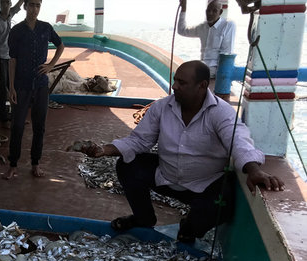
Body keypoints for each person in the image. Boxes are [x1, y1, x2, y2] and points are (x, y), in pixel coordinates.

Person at [88, 61, 284, 243]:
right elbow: (139, 140)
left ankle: (190, 228)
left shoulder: (221, 112)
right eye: (175, 81)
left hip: (203, 184)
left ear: (202, 85)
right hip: (166, 176)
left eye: (182, 83)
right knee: (127, 164)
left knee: (223, 200)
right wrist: (103, 150)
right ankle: (143, 219)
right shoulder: (161, 107)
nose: (174, 87)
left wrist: (254, 170)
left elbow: (238, 141)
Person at [3, 0, 64, 180]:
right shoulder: (16, 31)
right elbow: (12, 61)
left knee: (40, 126)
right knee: (17, 126)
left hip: (40, 85)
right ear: (25, 7)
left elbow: (60, 45)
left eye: (38, 5)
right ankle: (13, 164)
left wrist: (51, 65)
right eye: (31, 5)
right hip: (21, 85)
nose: (34, 9)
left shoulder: (46, 28)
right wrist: (11, 87)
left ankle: (35, 163)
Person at [177, 0, 235, 79]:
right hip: (203, 68)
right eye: (208, 10)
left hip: (216, 72)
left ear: (220, 12)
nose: (210, 13)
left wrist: (220, 78)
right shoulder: (202, 27)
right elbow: (182, 30)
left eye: (214, 11)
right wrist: (183, 9)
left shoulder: (227, 25)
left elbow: (226, 53)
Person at [0, 0, 24, 127]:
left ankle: (16, 115)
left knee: (14, 86)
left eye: (8, 3)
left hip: (9, 59)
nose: (6, 5)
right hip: (0, 60)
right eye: (4, 3)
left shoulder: (10, 16)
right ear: (0, 5)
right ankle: (3, 118)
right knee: (2, 89)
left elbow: (18, 6)